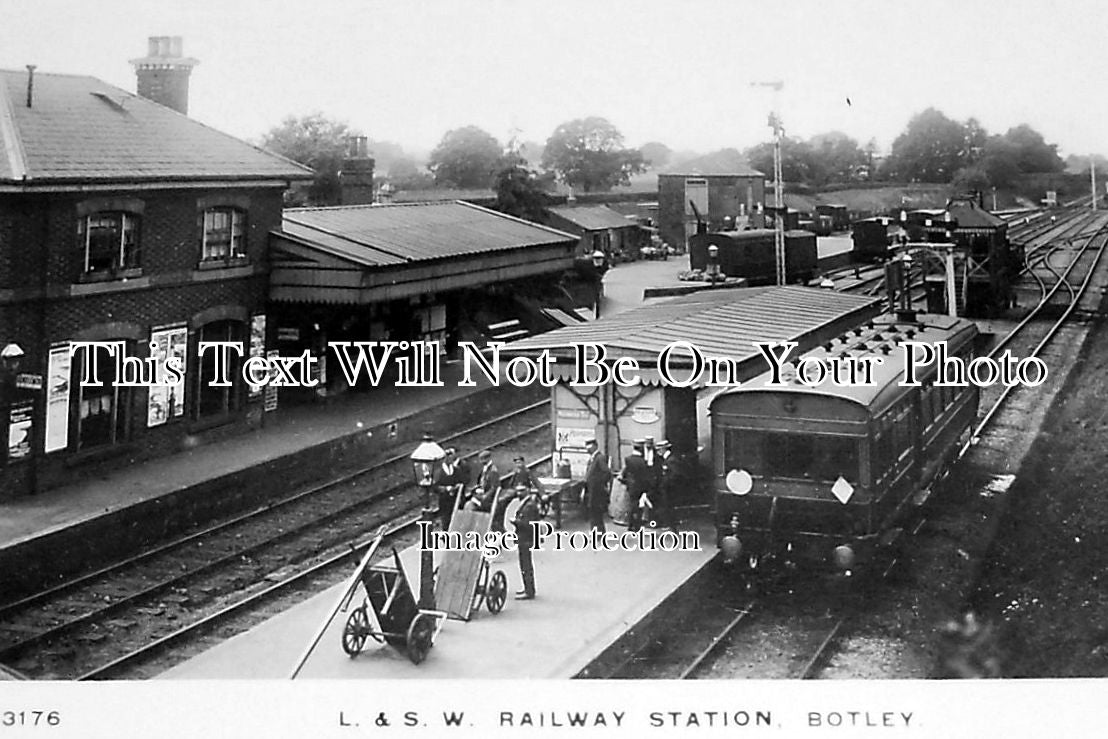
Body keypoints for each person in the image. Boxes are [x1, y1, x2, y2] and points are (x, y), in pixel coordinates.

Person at [493, 455, 544, 532]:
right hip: (514, 491)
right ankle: (499, 522)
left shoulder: (527, 472)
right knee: (501, 501)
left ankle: (501, 522)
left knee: (503, 500)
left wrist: (542, 494)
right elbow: (511, 483)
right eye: (516, 463)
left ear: (523, 463)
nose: (518, 465)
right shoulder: (516, 472)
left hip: (523, 491)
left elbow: (536, 482)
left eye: (519, 463)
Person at [512, 484, 543, 600]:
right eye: (518, 491)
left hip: (526, 539)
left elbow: (528, 524)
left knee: (526, 565)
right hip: (526, 538)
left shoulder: (529, 506)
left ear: (527, 491)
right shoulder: (528, 503)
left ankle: (529, 591)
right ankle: (528, 588)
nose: (519, 494)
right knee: (525, 565)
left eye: (521, 491)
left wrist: (516, 522)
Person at [621, 440, 652, 532]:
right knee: (639, 506)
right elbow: (645, 475)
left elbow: (626, 472)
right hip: (640, 485)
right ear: (641, 448)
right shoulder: (643, 461)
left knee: (631, 504)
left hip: (631, 485)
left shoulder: (628, 459)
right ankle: (637, 526)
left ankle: (630, 524)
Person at [435, 448, 467, 530]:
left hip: (455, 499)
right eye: (447, 458)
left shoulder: (457, 470)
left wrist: (459, 488)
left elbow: (463, 482)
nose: (450, 460)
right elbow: (435, 487)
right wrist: (445, 489)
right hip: (444, 501)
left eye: (451, 458)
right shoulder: (439, 472)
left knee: (456, 520)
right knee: (446, 520)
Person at [583, 438, 610, 533]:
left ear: (595, 446)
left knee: (595, 513)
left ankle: (597, 533)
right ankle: (598, 533)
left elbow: (607, 473)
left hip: (597, 492)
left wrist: (598, 483)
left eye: (589, 446)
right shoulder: (593, 458)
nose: (587, 449)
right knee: (594, 513)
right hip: (592, 491)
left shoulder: (599, 458)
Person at [465, 450, 501, 516]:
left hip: (488, 500)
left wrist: (485, 496)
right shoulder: (484, 469)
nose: (481, 461)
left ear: (488, 458)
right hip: (481, 495)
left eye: (483, 459)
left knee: (469, 507)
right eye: (481, 459)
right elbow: (481, 482)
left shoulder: (493, 471)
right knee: (467, 505)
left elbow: (494, 487)